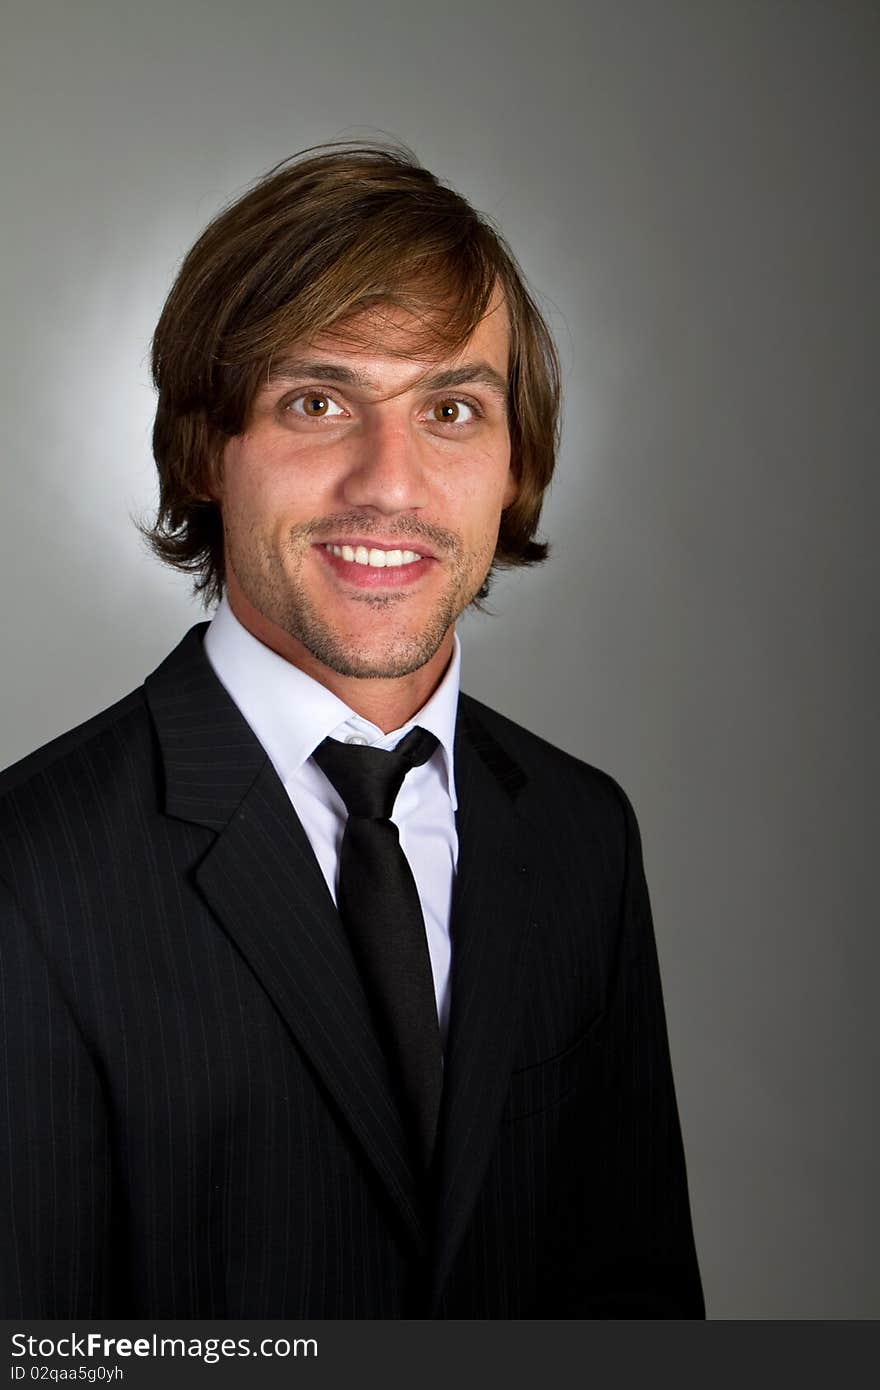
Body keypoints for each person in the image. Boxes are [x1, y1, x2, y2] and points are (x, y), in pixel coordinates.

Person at [0, 144, 704, 1318]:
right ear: (205, 447)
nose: (391, 482)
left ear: (515, 462)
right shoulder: (31, 872)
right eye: (316, 402)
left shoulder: (583, 835)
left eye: (451, 407)